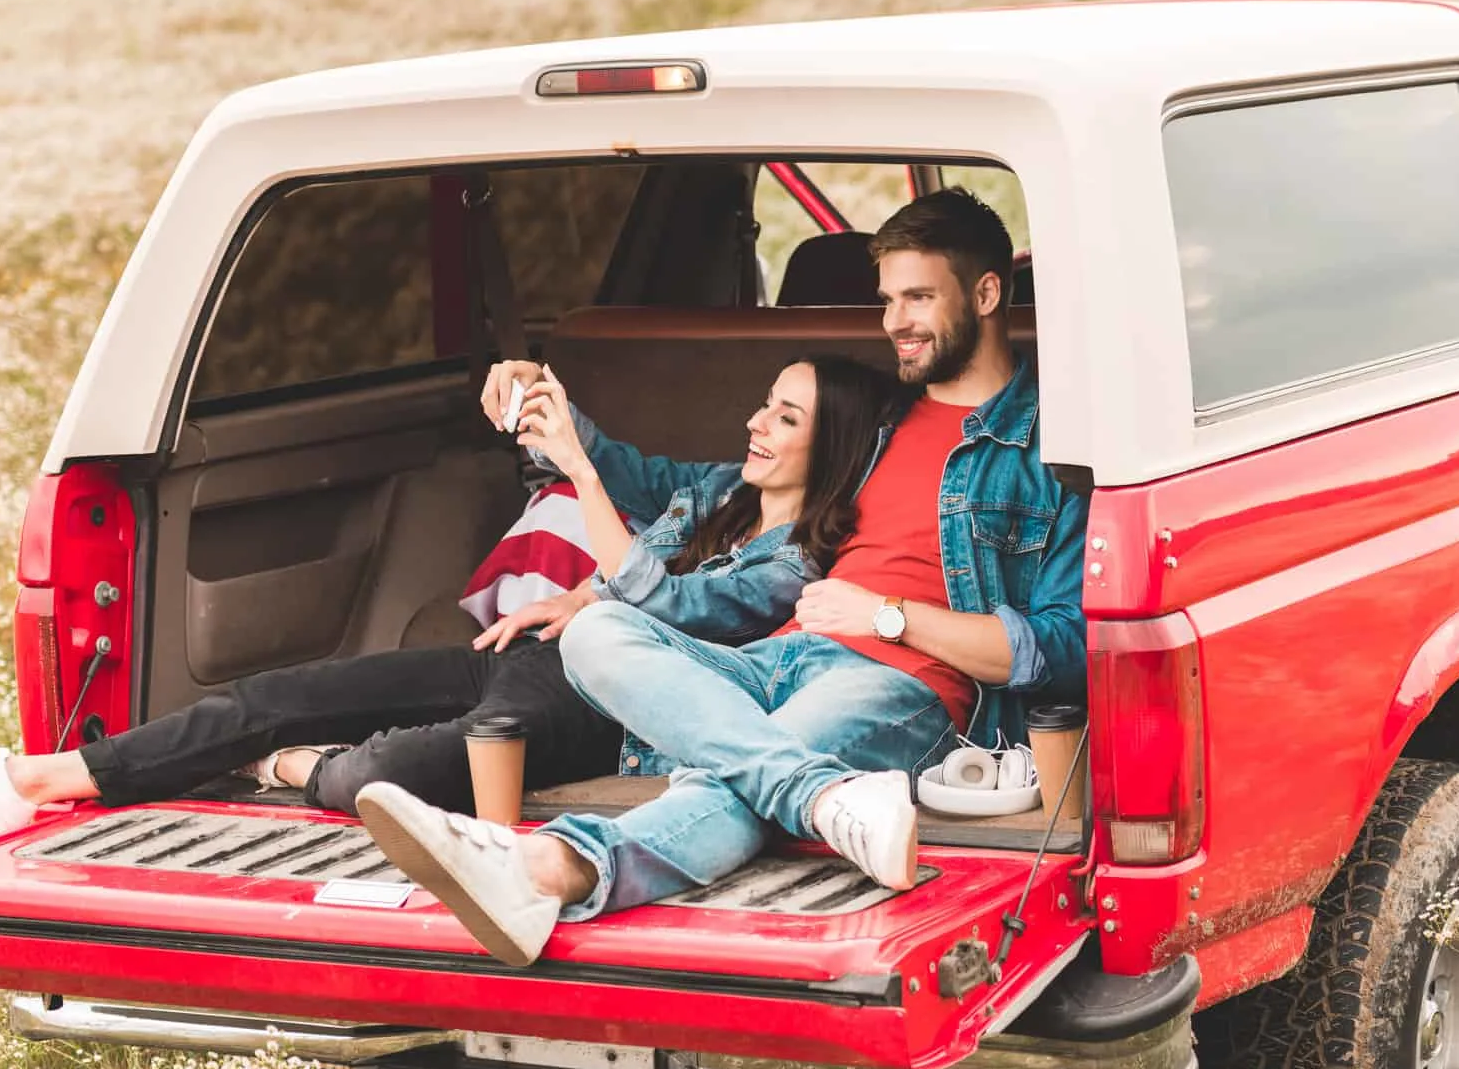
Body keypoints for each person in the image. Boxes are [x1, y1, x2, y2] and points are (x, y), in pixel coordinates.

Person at [357, 188, 1089, 966]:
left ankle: (546, 866)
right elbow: (693, 485)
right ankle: (825, 798)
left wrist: (886, 616)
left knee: (735, 781)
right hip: (776, 657)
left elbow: (1059, 645)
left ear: (985, 294)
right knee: (598, 631)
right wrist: (556, 411)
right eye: (886, 299)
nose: (893, 322)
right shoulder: (876, 422)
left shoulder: (1050, 446)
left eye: (917, 298)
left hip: (903, 685)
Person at [0, 355, 905, 836]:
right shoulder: (718, 491)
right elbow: (619, 466)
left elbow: (661, 604)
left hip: (604, 713)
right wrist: (540, 398)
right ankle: (37, 778)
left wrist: (582, 505)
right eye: (762, 400)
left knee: (383, 773)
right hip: (536, 658)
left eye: (783, 414)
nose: (755, 421)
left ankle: (275, 770)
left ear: (833, 444)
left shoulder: (797, 566)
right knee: (294, 687)